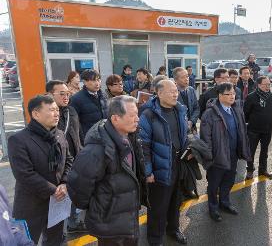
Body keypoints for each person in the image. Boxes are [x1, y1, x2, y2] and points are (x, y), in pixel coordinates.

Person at [67, 96, 147, 246]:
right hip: (109, 223)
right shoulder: (97, 149)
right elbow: (78, 187)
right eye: (132, 115)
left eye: (137, 114)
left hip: (128, 218)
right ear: (115, 119)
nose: (137, 119)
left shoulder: (130, 136)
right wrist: (99, 207)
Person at [8, 95, 73, 245]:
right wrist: (54, 190)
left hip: (57, 203)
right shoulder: (18, 140)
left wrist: (64, 183)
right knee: (24, 242)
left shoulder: (59, 134)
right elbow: (24, 174)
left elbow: (68, 160)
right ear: (36, 114)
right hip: (30, 205)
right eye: (51, 110)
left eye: (57, 110)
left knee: (55, 241)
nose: (57, 113)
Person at [139, 80, 189, 245]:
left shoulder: (179, 110)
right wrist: (148, 171)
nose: (176, 94)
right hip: (159, 166)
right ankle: (155, 238)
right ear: (159, 93)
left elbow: (183, 135)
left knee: (176, 200)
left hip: (178, 162)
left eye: (176, 91)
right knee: (158, 207)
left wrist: (189, 150)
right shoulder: (149, 114)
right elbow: (143, 145)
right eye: (171, 91)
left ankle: (173, 229)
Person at [200, 82, 251, 222]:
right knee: (214, 183)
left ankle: (225, 202)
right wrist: (209, 157)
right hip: (217, 156)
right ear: (219, 95)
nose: (232, 96)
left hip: (233, 153)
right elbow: (206, 138)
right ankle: (213, 207)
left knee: (229, 180)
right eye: (228, 94)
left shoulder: (236, 109)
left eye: (233, 93)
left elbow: (242, 131)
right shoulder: (210, 113)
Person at [45, 80, 84, 232]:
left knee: (72, 192)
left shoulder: (71, 111)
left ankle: (73, 223)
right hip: (56, 165)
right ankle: (59, 231)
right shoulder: (46, 114)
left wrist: (82, 150)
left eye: (67, 93)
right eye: (62, 94)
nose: (66, 97)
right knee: (58, 197)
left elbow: (78, 133)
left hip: (75, 159)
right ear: (49, 94)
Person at [243, 76, 272, 180]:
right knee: (250, 151)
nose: (268, 86)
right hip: (253, 129)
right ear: (259, 85)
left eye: (269, 84)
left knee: (264, 151)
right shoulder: (251, 97)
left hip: (267, 129)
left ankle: (263, 170)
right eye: (265, 85)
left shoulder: (271, 96)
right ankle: (250, 170)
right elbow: (246, 113)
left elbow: (270, 110)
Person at [70, 69, 108, 137]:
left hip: (105, 135)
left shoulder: (104, 95)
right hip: (89, 138)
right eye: (93, 80)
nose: (97, 83)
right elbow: (74, 123)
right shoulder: (76, 99)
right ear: (85, 82)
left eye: (98, 80)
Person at [173, 67, 200, 135]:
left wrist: (191, 121)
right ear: (175, 80)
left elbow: (196, 108)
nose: (186, 79)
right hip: (178, 130)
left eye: (187, 76)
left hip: (192, 128)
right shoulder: (172, 93)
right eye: (182, 77)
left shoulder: (191, 90)